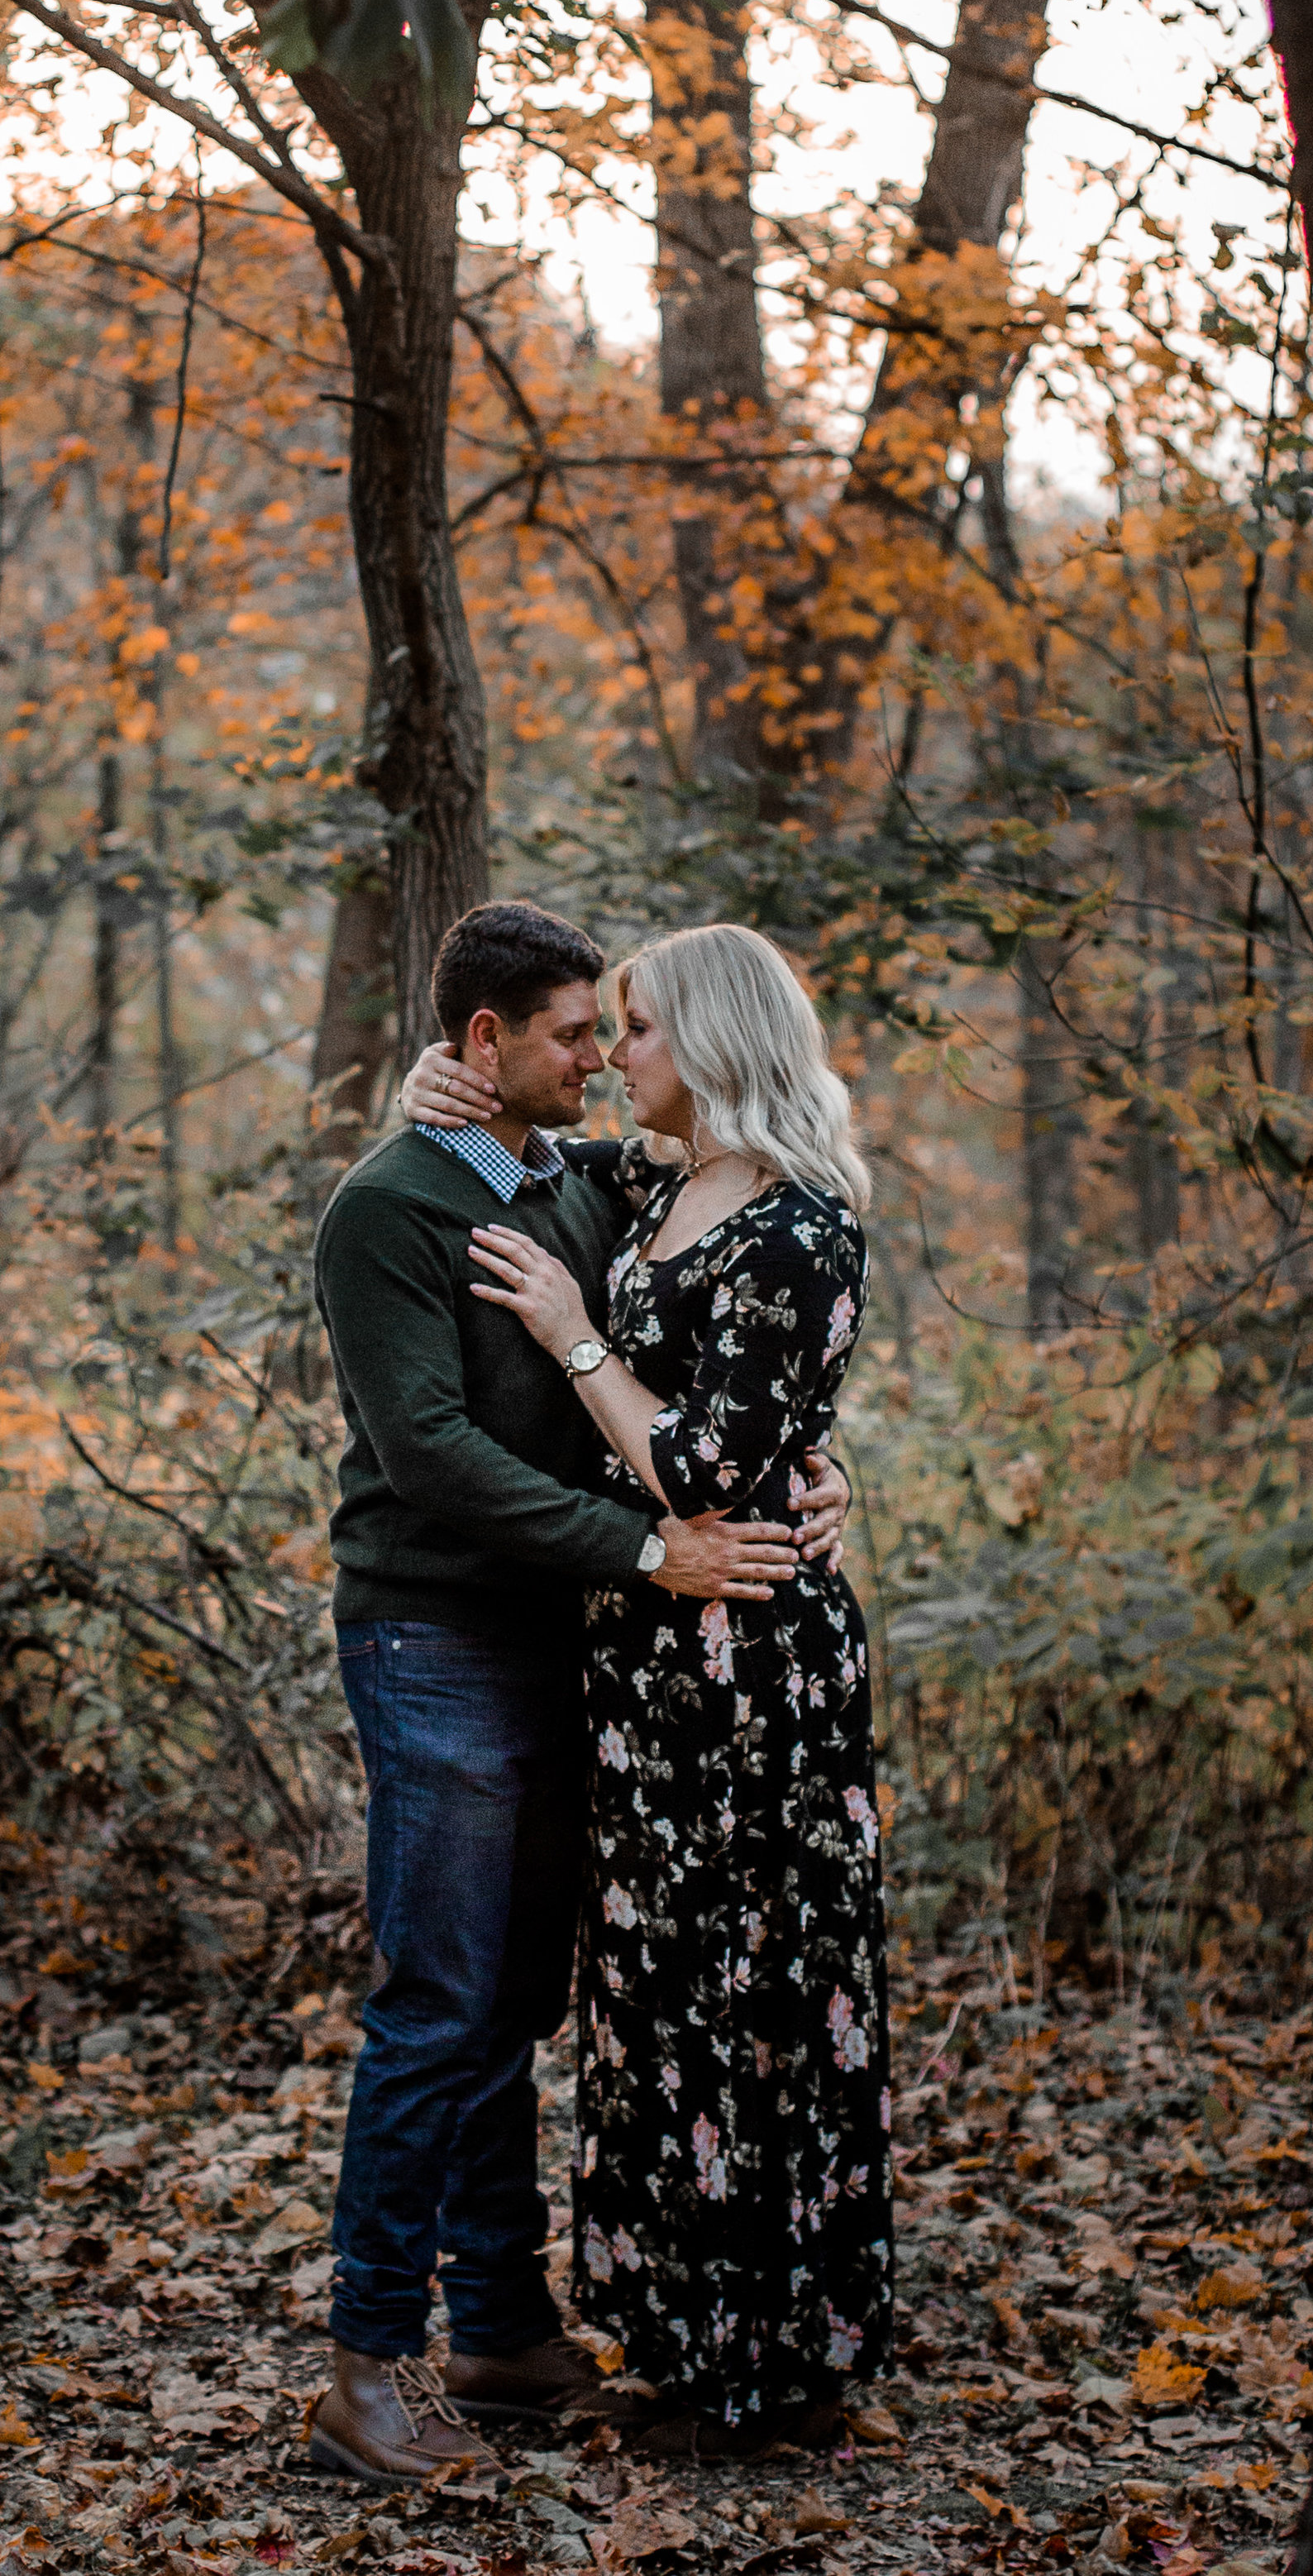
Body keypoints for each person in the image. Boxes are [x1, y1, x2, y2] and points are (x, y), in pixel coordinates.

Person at [308, 901, 851, 2485]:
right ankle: (366, 2361)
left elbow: (716, 1356)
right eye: (569, 1033)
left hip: (575, 1640)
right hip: (440, 1637)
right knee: (440, 2002)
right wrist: (650, 1545)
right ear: (485, 1043)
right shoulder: (389, 1209)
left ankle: (499, 2324)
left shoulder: (582, 1182)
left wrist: (811, 1468)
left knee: (520, 1999)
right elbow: (435, 1456)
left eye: (616, 1031)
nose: (601, 1058)